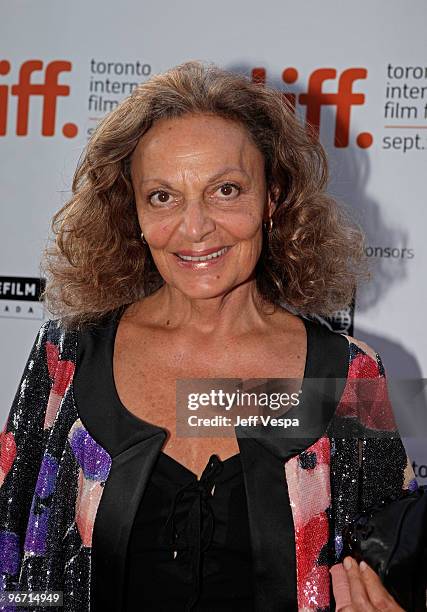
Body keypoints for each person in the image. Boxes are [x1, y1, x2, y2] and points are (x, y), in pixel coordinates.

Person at [0, 60, 418, 612]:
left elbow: (397, 568)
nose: (194, 229)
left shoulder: (343, 374)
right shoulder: (69, 355)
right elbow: (14, 556)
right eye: (163, 197)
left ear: (272, 199)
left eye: (225, 190)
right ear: (133, 211)